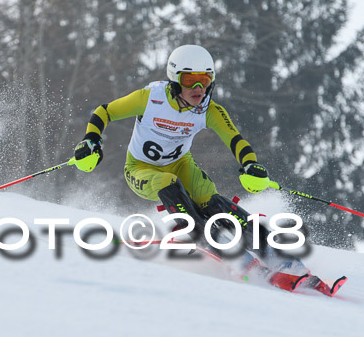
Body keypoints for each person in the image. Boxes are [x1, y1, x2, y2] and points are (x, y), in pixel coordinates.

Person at [72, 44, 271, 244]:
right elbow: (105, 111)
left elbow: (234, 139)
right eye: (189, 80)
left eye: (204, 80)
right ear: (175, 80)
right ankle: (202, 239)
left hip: (182, 164)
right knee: (167, 181)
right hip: (140, 168)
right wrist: (91, 140)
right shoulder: (150, 98)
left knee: (208, 199)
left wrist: (249, 164)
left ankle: (268, 245)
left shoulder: (209, 110)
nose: (198, 89)